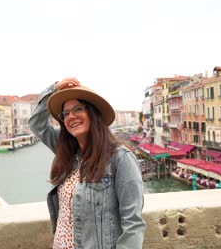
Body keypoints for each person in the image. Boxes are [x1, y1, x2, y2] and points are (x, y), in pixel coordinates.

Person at [29, 78, 145, 249]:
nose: (71, 117)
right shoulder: (67, 152)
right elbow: (36, 124)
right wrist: (54, 89)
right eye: (66, 114)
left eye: (78, 109)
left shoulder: (120, 158)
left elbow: (133, 224)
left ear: (93, 113)